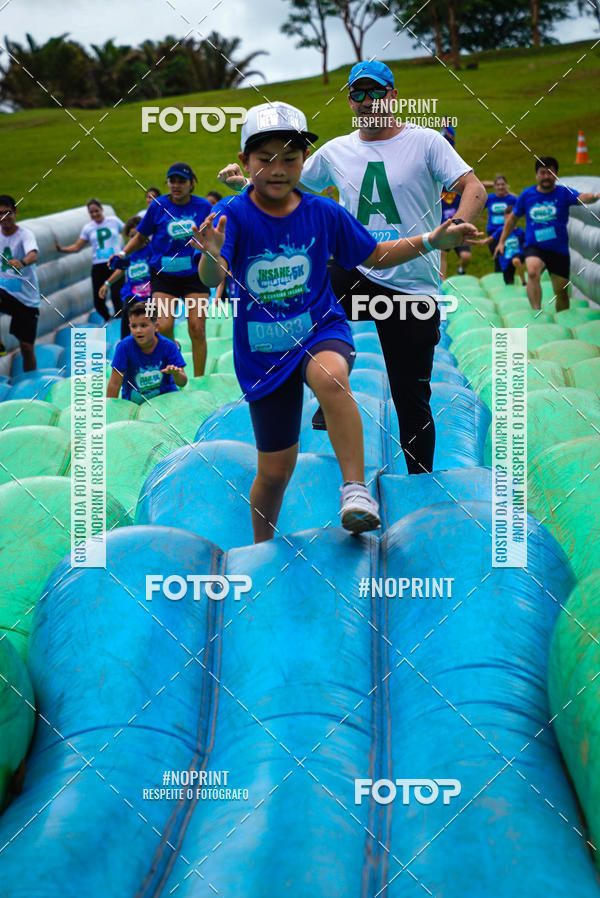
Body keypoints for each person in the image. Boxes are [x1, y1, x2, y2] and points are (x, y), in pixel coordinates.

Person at [194, 102, 479, 542]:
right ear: (245, 162)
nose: (278, 169)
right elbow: (213, 276)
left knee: (331, 377)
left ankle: (355, 490)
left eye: (290, 158)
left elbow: (376, 255)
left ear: (305, 162)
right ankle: (261, 547)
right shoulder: (233, 215)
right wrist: (212, 253)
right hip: (263, 351)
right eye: (265, 158)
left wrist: (430, 239)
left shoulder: (322, 213)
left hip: (318, 329)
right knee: (275, 471)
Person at [218, 60, 487, 475]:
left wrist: (456, 223)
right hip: (360, 268)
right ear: (349, 100)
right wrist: (247, 182)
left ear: (393, 95)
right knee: (314, 291)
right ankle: (332, 389)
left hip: (412, 284)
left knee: (410, 396)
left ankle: (421, 486)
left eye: (376, 91)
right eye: (358, 93)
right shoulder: (336, 150)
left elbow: (474, 186)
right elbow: (284, 179)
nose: (367, 101)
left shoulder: (427, 142)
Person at [109, 163, 212, 376]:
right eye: (172, 181)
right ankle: (174, 363)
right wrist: (122, 254)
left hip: (194, 276)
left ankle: (200, 378)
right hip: (164, 277)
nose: (176, 185)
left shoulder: (203, 207)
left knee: (197, 328)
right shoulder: (157, 206)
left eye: (182, 181)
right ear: (167, 182)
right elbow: (140, 236)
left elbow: (213, 237)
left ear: (192, 183)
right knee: (163, 326)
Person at [495, 157, 600, 311]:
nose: (546, 176)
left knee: (561, 292)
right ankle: (536, 310)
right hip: (535, 246)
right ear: (536, 175)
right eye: (542, 173)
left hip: (559, 249)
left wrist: (596, 196)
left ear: (556, 175)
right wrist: (501, 242)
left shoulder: (563, 192)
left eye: (550, 173)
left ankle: (562, 317)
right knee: (532, 271)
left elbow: (581, 198)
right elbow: (512, 219)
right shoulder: (527, 195)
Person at [55, 198, 124, 322]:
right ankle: (107, 319)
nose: (94, 214)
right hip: (99, 264)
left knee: (117, 294)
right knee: (98, 299)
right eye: (91, 212)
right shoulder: (88, 228)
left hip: (115, 262)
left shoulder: (114, 221)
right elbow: (77, 247)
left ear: (102, 210)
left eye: (96, 211)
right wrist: (61, 249)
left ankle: (120, 319)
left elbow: (128, 232)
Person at [106, 301, 187, 403]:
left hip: (165, 401)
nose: (138, 330)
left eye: (143, 325)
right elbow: (114, 383)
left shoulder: (168, 346)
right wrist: (111, 410)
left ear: (156, 327)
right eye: (134, 326)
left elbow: (183, 382)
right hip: (135, 404)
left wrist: (176, 374)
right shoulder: (124, 347)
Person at [0, 195, 40, 369]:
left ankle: (32, 380)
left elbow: (33, 253)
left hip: (26, 298)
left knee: (26, 347)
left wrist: (22, 262)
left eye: (7, 213)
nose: (4, 218)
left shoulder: (25, 235)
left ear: (15, 212)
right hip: (4, 291)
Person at [99, 216, 152, 338]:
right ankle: (126, 347)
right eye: (131, 236)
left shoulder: (152, 250)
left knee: (152, 325)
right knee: (127, 324)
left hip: (151, 294)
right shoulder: (127, 252)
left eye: (137, 235)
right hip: (132, 294)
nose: (135, 239)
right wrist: (107, 283)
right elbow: (121, 270)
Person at [481, 174, 518, 269]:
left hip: (507, 231)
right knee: (497, 257)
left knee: (508, 257)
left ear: (506, 185)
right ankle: (499, 278)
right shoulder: (489, 198)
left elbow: (522, 208)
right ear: (494, 186)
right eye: (498, 185)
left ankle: (508, 279)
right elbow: (479, 185)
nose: (500, 187)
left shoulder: (512, 199)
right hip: (493, 232)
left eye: (503, 184)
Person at [439, 188, 471, 279]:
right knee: (442, 253)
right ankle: (442, 281)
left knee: (466, 256)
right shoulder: (437, 190)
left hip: (458, 228)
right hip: (444, 230)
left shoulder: (458, 189)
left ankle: (461, 270)